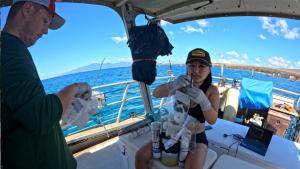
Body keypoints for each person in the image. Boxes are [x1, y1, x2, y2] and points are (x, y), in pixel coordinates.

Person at [1, 0, 91, 168]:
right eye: (44, 21)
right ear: (27, 9)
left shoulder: (13, 49)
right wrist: (74, 88)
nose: (45, 31)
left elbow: (28, 108)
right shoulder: (10, 52)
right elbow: (41, 116)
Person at [135, 48, 219, 169]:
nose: (196, 70)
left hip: (196, 137)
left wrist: (204, 102)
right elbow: (156, 93)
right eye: (192, 65)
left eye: (201, 66)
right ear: (187, 67)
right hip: (173, 132)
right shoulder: (181, 84)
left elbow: (213, 120)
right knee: (140, 156)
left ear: (209, 69)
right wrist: (172, 84)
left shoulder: (212, 90)